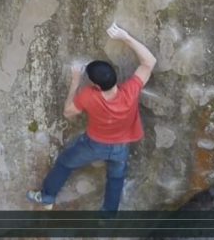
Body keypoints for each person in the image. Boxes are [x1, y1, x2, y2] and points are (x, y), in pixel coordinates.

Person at [26, 22, 157, 212]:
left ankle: (47, 197)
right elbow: (149, 62)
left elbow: (68, 112)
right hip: (121, 147)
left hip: (94, 145)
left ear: (95, 84)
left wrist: (75, 82)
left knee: (64, 162)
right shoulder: (130, 91)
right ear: (115, 77)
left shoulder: (89, 96)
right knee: (115, 179)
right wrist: (125, 37)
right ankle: (107, 219)